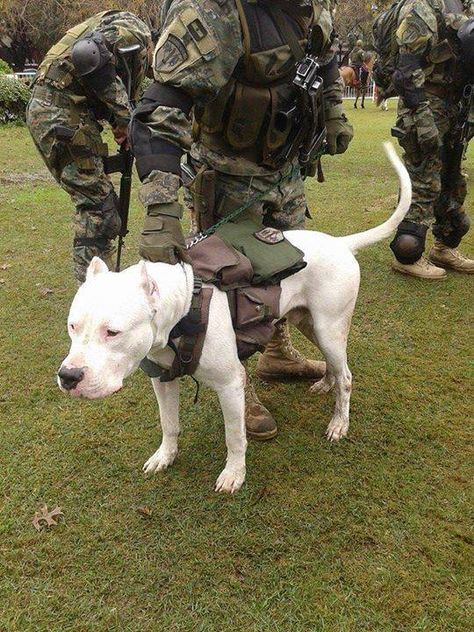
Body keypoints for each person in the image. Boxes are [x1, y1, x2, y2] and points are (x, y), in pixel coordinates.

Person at [130, 0, 354, 440]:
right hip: (228, 181)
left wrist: (333, 110)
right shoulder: (217, 13)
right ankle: (240, 380)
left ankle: (277, 351)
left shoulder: (311, 10)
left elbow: (325, 61)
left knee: (286, 270)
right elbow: (161, 108)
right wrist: (161, 208)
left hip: (286, 174)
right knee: (230, 288)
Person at [27, 11, 152, 283]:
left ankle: (96, 286)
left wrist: (119, 120)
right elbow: (89, 53)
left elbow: (96, 71)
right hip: (59, 113)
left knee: (98, 204)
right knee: (99, 209)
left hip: (58, 110)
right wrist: (124, 117)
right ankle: (94, 293)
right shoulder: (135, 29)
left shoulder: (113, 23)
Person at [389, 0, 474, 278]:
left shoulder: (460, 6)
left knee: (452, 180)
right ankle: (408, 255)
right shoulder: (421, 7)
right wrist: (422, 118)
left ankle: (444, 247)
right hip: (426, 104)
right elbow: (405, 70)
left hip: (454, 104)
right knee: (424, 179)